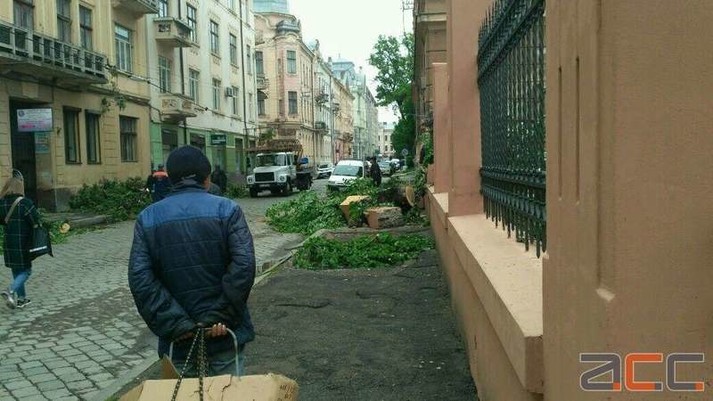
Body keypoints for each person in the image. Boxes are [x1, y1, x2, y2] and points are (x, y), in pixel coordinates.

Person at [129, 145, 256, 377]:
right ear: (207, 179)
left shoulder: (148, 218)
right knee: (226, 391)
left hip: (178, 341)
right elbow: (243, 266)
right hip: (222, 335)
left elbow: (141, 279)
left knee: (183, 392)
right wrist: (219, 317)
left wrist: (176, 324)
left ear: (170, 179)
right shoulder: (228, 210)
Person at [0, 170, 40, 309]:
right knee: (26, 271)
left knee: (17, 270)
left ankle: (22, 299)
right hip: (23, 242)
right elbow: (36, 221)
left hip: (8, 242)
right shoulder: (25, 203)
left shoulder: (1, 203)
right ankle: (10, 290)